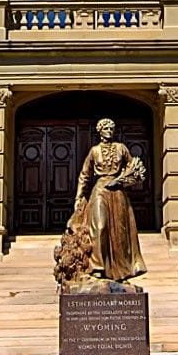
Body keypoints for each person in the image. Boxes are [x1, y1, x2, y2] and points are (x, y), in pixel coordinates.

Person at [63, 117, 147, 283]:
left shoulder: (121, 148)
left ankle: (121, 270)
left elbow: (134, 170)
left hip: (118, 192)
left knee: (120, 232)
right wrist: (79, 196)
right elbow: (84, 175)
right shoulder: (94, 151)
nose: (109, 131)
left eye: (111, 128)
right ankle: (97, 267)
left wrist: (123, 180)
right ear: (99, 131)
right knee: (100, 226)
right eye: (106, 128)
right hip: (100, 189)